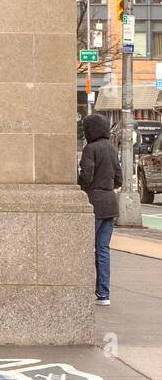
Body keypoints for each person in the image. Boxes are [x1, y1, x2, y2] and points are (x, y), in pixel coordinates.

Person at [78, 112, 122, 306]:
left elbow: (86, 176)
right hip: (110, 203)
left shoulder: (90, 149)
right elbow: (119, 178)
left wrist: (80, 185)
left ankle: (81, 289)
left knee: (84, 247)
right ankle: (104, 294)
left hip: (94, 202)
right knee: (103, 249)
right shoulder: (111, 149)